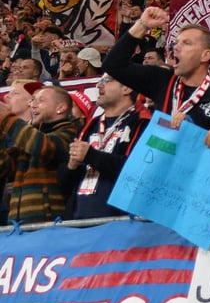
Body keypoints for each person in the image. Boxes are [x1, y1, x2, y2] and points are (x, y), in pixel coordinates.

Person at [103, 6, 210, 129]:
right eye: (176, 42)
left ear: (205, 55)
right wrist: (142, 25)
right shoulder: (163, 80)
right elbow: (113, 65)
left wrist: (191, 126)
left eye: (186, 43)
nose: (176, 47)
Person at [62, 74, 149, 219]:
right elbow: (64, 184)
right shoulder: (89, 126)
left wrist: (91, 155)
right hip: (79, 225)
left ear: (126, 88)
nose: (99, 85)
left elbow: (138, 171)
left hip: (121, 225)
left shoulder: (143, 123)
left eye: (107, 81)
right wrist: (71, 166)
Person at [0, 85, 81, 223]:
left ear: (60, 108)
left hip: (49, 224)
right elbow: (4, 168)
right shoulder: (28, 138)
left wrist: (7, 119)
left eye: (40, 100)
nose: (33, 105)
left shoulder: (70, 132)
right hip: (18, 225)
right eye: (32, 100)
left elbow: (43, 147)